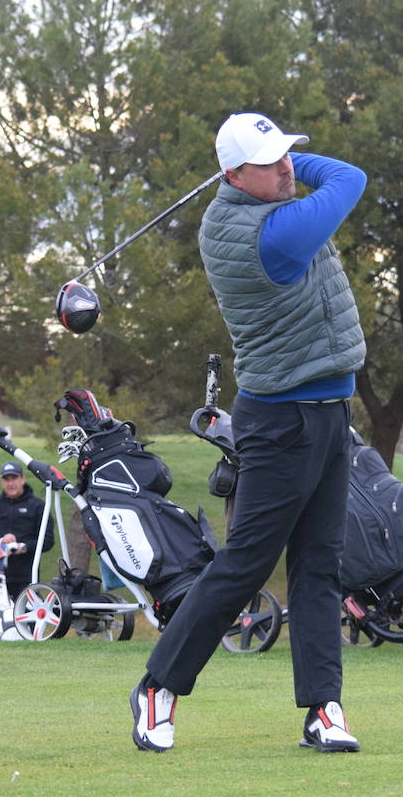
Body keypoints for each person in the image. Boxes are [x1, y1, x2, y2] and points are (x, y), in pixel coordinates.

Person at [129, 112, 366, 754]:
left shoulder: (261, 207)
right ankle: (158, 688)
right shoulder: (270, 236)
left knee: (320, 565)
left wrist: (280, 160)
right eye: (270, 161)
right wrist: (304, 171)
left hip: (327, 412)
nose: (288, 167)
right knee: (244, 567)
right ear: (232, 174)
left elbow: (310, 179)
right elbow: (349, 178)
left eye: (289, 155)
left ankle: (324, 709)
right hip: (283, 422)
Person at [0, 461, 49, 600]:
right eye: (6, 479)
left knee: (27, 619)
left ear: (23, 479)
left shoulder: (38, 506)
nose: (10, 483)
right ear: (2, 482)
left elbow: (48, 541)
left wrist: (23, 546)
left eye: (14, 478)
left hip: (27, 576)